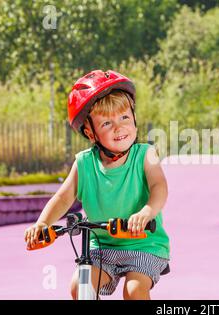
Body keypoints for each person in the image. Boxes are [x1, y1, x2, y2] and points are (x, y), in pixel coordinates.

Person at [24, 70, 170, 300]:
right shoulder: (83, 163)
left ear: (134, 118)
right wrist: (43, 223)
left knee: (133, 291)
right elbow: (63, 198)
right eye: (107, 123)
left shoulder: (146, 154)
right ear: (90, 133)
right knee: (80, 287)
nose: (119, 127)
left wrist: (146, 212)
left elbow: (159, 187)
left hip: (144, 243)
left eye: (124, 118)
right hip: (101, 246)